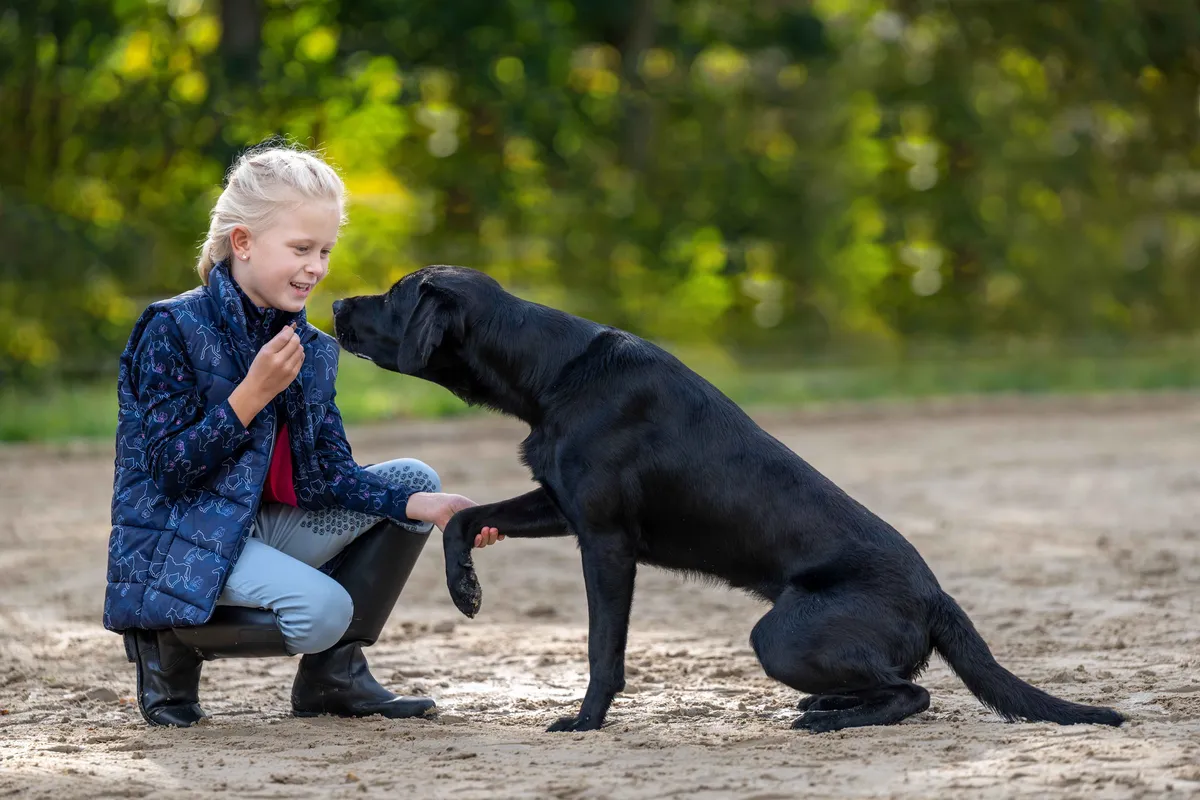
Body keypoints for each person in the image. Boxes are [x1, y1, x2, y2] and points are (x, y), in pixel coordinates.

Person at [104, 144, 502, 728]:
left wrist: (425, 506)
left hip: (259, 528)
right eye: (301, 249)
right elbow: (167, 471)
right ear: (243, 242)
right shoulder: (171, 328)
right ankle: (167, 641)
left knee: (415, 479)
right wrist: (251, 394)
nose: (316, 267)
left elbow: (329, 476)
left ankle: (332, 678)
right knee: (323, 612)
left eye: (325, 251)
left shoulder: (311, 350)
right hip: (181, 535)